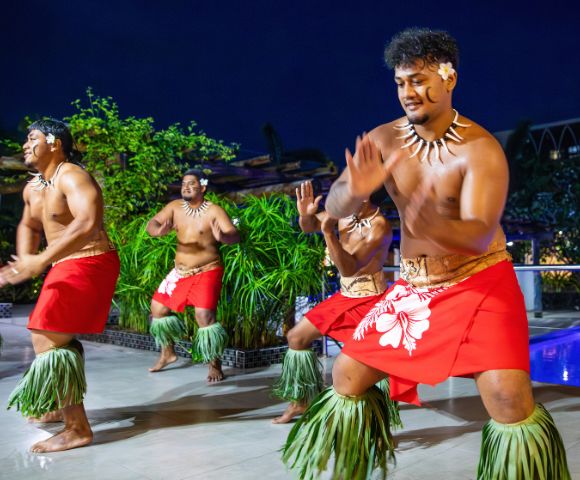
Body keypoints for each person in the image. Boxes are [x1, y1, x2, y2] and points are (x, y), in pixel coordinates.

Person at [283, 28, 570, 479]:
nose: (408, 92)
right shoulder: (383, 139)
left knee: (509, 402)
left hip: (481, 282)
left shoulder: (480, 150)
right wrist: (350, 191)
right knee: (346, 375)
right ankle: (356, 467)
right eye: (400, 83)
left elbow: (477, 234)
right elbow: (336, 202)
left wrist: (431, 222)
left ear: (449, 76)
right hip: (415, 287)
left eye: (418, 79)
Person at [1, 119, 120, 453]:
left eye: (32, 137)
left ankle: (77, 428)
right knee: (57, 334)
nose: (25, 144)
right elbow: (29, 224)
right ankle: (58, 406)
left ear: (54, 142)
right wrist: (27, 259)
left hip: (92, 259)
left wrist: (40, 261)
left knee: (45, 332)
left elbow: (87, 222)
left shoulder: (72, 175)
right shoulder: (33, 188)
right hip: (64, 262)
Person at [272, 181, 400, 426]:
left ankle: (381, 423)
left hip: (370, 300)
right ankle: (301, 401)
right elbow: (310, 227)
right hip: (344, 296)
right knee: (296, 338)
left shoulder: (379, 227)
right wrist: (305, 214)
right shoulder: (342, 214)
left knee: (372, 362)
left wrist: (329, 232)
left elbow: (348, 268)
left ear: (363, 197)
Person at [146, 169, 239, 382]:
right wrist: (158, 231)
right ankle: (167, 353)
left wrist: (223, 236)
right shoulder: (174, 207)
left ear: (203, 188)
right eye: (184, 183)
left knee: (204, 317)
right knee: (157, 308)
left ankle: (215, 364)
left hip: (208, 270)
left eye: (192, 183)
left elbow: (234, 235)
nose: (186, 187)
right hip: (180, 272)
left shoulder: (214, 211)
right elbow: (152, 223)